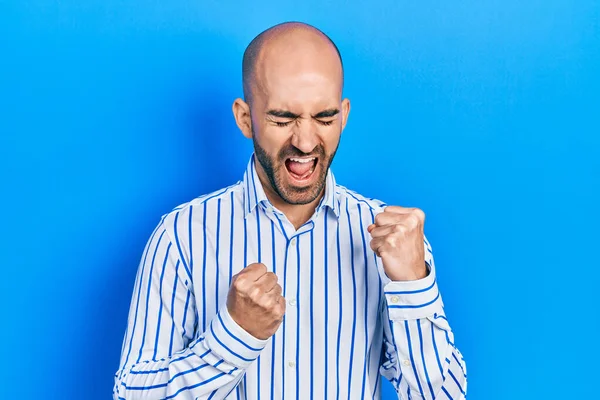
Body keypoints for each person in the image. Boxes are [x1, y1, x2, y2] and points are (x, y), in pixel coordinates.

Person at [113, 21, 467, 400]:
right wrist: (234, 336)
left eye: (325, 118)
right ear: (245, 118)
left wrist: (412, 284)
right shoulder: (182, 236)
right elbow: (131, 394)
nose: (305, 141)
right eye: (283, 119)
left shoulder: (392, 241)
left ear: (344, 115)